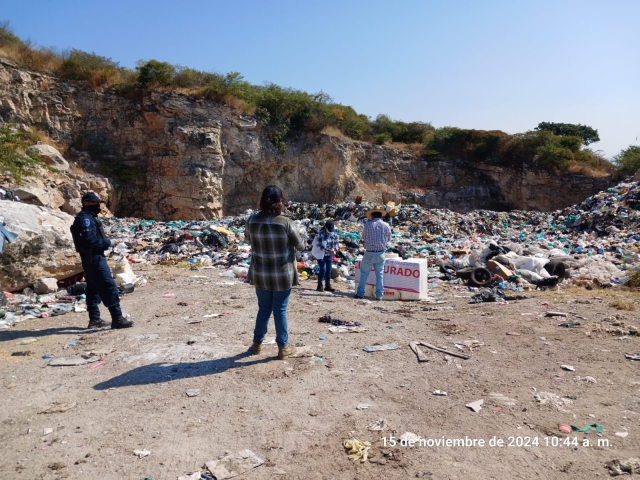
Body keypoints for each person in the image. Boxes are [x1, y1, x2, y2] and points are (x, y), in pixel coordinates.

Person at [244, 185, 304, 359]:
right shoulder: (285, 222)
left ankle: (256, 345)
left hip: (260, 273)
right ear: (280, 202)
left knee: (263, 309)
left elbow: (248, 240)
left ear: (262, 201)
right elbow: (300, 245)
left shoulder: (252, 220)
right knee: (280, 309)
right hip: (282, 275)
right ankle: (283, 347)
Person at [70, 192, 134, 329]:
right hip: (94, 258)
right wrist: (108, 242)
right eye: (96, 203)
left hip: (91, 258)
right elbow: (90, 241)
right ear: (87, 203)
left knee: (93, 288)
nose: (99, 206)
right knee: (109, 286)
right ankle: (117, 318)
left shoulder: (88, 217)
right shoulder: (85, 219)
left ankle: (94, 319)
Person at [354, 203, 395, 300]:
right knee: (379, 275)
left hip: (369, 253)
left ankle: (360, 294)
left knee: (364, 274)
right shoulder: (386, 225)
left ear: (372, 215)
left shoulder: (368, 225)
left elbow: (363, 237)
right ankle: (379, 295)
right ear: (381, 215)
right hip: (381, 253)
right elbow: (389, 239)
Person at [312, 220, 339, 292]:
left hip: (329, 255)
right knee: (323, 269)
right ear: (326, 227)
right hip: (321, 255)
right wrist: (327, 250)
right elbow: (318, 245)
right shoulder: (321, 233)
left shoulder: (334, 233)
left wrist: (336, 247)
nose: (330, 231)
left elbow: (336, 242)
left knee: (329, 270)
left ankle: (328, 285)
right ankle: (319, 285)